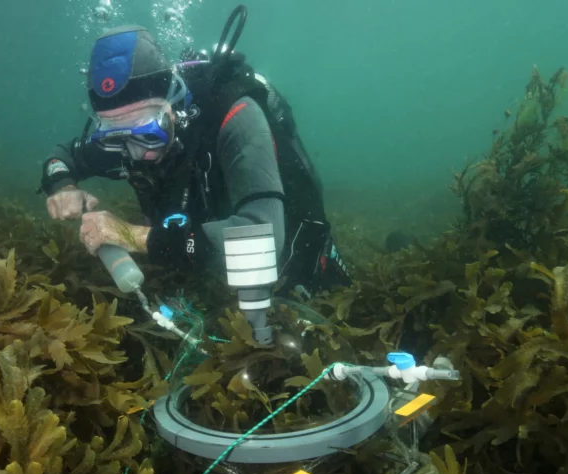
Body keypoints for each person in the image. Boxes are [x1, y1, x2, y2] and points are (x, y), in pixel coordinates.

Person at [39, 10, 349, 297]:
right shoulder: (125, 140)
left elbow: (262, 243)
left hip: (287, 265)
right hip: (201, 264)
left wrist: (135, 237)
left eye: (148, 131)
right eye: (113, 135)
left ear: (173, 106)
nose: (136, 154)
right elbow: (62, 156)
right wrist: (64, 186)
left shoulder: (236, 117)